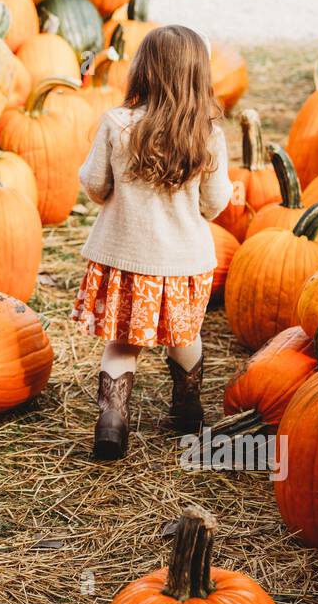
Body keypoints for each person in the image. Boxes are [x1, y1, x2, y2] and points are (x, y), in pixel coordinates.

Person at [71, 24, 233, 459]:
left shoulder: (117, 124)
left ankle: (111, 424)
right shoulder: (208, 134)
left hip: (126, 260)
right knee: (186, 336)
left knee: (123, 343)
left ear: (142, 71)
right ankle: (188, 410)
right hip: (183, 265)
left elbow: (95, 185)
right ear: (199, 77)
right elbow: (215, 204)